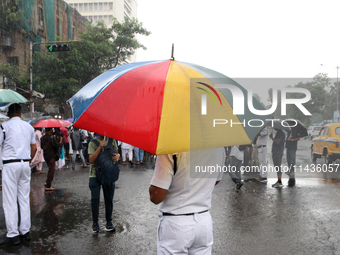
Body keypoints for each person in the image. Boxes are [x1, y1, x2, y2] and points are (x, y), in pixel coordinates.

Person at [149, 147, 225, 254]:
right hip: (203, 222)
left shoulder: (171, 148)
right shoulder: (218, 148)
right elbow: (216, 180)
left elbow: (156, 196)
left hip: (176, 223)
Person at [0, 103, 37, 247]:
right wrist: (29, 161)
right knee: (23, 198)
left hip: (10, 164)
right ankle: (25, 231)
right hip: (25, 164)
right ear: (20, 114)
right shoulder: (29, 127)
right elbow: (34, 147)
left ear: (9, 114)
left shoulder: (5, 126)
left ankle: (12, 234)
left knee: (9, 200)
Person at [88, 135, 120, 232]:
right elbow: (91, 160)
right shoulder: (92, 143)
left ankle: (109, 222)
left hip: (109, 174)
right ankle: (95, 223)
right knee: (95, 199)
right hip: (95, 174)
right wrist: (99, 147)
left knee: (109, 199)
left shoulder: (112, 140)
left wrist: (118, 156)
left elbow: (116, 153)